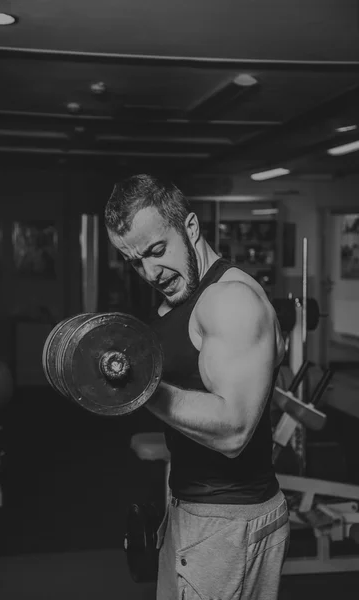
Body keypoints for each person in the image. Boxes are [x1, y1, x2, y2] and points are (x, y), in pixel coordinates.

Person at [104, 174, 290, 600]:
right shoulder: (180, 296)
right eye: (135, 261)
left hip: (228, 520)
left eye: (156, 250)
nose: (150, 272)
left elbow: (233, 431)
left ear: (190, 228)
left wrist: (140, 386)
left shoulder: (230, 301)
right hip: (192, 508)